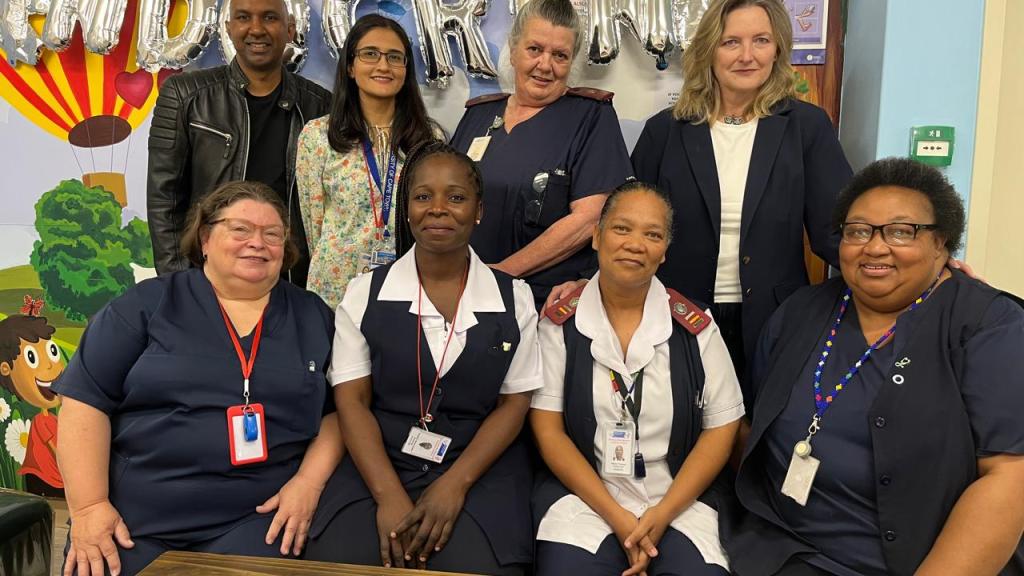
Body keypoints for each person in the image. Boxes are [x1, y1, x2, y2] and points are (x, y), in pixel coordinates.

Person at [721, 158, 1024, 576]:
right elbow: (748, 428)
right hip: (779, 548)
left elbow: (1010, 479)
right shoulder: (801, 311)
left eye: (902, 231)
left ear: (942, 243)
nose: (875, 247)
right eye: (858, 231)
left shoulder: (987, 324)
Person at [53, 182, 343, 576]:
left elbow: (337, 413)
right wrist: (89, 508)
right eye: (240, 229)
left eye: (272, 234)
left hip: (256, 518)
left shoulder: (313, 316)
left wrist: (308, 484)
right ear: (205, 237)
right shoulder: (145, 306)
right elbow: (84, 402)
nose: (257, 243)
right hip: (133, 517)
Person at [305, 142, 541, 575]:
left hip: (477, 463)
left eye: (456, 197)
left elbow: (514, 404)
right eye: (422, 196)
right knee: (343, 563)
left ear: (479, 210)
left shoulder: (515, 300)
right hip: (379, 458)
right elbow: (352, 402)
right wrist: (388, 495)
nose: (438, 209)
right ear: (407, 208)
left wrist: (455, 485)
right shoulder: (365, 294)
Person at [629, 0, 852, 381]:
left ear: (778, 48)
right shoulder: (665, 131)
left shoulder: (806, 128)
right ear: (709, 50)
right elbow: (629, 226)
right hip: (677, 313)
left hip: (776, 319)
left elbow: (839, 231)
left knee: (762, 434)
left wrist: (921, 268)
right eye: (731, 42)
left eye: (761, 40)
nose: (747, 56)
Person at [531, 182, 744, 576]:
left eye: (653, 234)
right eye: (621, 228)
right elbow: (549, 432)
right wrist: (619, 517)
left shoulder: (696, 327)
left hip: (677, 498)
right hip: (586, 497)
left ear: (664, 252)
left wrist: (661, 514)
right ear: (595, 236)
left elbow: (722, 427)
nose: (635, 244)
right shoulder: (559, 325)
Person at [450, 0, 633, 307]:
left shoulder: (591, 118)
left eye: (560, 55)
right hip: (464, 294)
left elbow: (590, 218)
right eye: (535, 49)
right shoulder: (477, 116)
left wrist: (501, 275)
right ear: (514, 48)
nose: (545, 65)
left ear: (572, 60)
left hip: (545, 305)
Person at [147, 0, 331, 287]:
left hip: (289, 283)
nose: (256, 29)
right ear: (229, 28)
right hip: (207, 279)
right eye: (244, 17)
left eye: (270, 18)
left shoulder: (320, 105)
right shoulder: (184, 95)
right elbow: (164, 200)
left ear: (290, 29)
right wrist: (181, 286)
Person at [296, 14, 437, 310]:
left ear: (406, 69)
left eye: (395, 57)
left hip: (407, 285)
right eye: (370, 54)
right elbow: (314, 224)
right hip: (335, 290)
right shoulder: (318, 136)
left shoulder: (428, 137)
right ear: (350, 65)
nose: (383, 65)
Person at [0, 314, 66, 495]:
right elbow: (58, 452)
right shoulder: (42, 421)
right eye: (32, 357)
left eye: (53, 352)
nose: (51, 366)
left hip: (49, 478)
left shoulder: (51, 418)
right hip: (45, 478)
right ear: (6, 368)